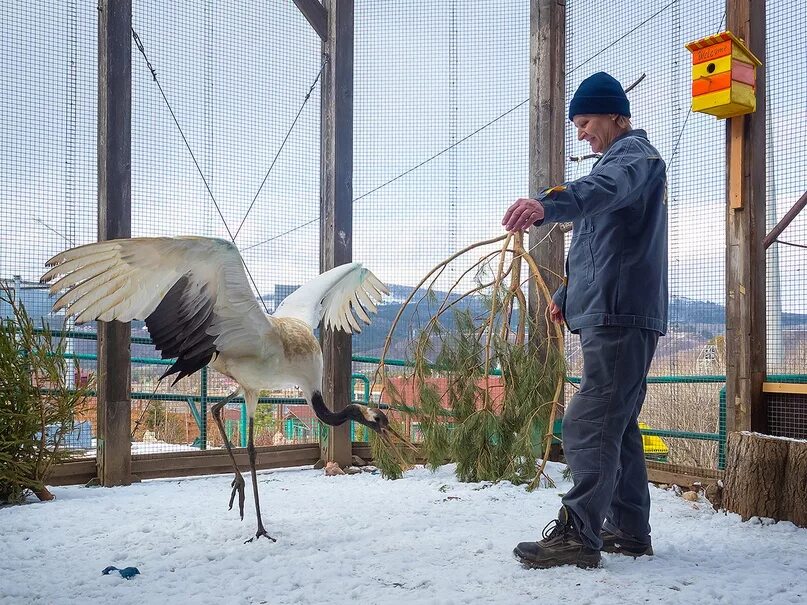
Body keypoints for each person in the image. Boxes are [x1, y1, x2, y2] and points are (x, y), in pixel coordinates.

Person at [502, 71, 668, 569]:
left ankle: (579, 533)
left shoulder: (633, 159)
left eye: (587, 121)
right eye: (576, 124)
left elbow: (601, 190)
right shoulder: (615, 164)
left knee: (590, 419)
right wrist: (567, 294)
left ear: (616, 115)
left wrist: (546, 205)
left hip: (620, 313)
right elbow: (598, 247)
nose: (581, 134)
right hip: (606, 308)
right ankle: (629, 528)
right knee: (618, 423)